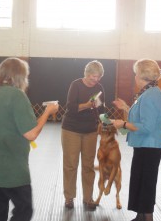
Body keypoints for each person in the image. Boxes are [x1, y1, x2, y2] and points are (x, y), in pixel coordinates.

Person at [0, 57, 59, 221]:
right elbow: (31, 134)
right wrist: (48, 112)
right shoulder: (17, 96)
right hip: (12, 169)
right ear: (20, 76)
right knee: (24, 210)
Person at [112, 59, 161, 221]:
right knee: (140, 181)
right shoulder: (150, 92)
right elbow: (143, 116)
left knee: (146, 183)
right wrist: (126, 108)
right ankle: (141, 216)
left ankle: (146, 217)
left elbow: (147, 126)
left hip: (149, 146)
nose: (134, 77)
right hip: (145, 145)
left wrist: (124, 124)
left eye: (135, 73)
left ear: (141, 75)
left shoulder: (150, 95)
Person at [61, 60, 105, 211]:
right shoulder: (76, 85)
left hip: (90, 131)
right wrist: (86, 105)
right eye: (93, 77)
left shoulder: (99, 88)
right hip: (71, 129)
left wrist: (107, 123)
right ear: (86, 74)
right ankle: (69, 197)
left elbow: (101, 109)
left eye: (98, 77)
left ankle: (88, 198)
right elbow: (71, 107)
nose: (95, 80)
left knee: (88, 166)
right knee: (71, 165)